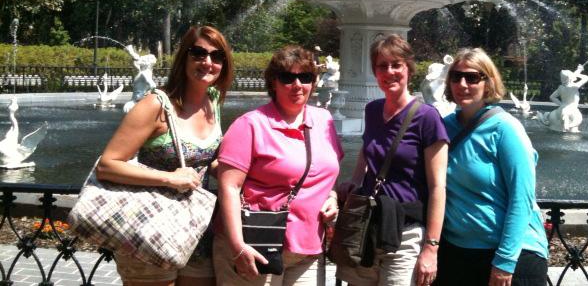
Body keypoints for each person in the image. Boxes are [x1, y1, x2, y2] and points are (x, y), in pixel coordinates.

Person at [97, 25, 234, 286]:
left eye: (217, 57)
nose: (208, 62)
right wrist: (169, 178)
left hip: (197, 229)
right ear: (183, 57)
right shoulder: (155, 104)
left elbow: (208, 160)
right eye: (199, 53)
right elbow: (108, 165)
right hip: (151, 228)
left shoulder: (213, 100)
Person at [214, 45, 342, 285]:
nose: (297, 85)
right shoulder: (250, 125)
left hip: (308, 246)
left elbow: (327, 173)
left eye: (305, 77)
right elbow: (228, 188)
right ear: (273, 82)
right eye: (287, 77)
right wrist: (238, 247)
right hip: (256, 244)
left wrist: (332, 198)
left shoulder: (323, 120)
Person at [336, 34, 448, 286]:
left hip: (405, 232)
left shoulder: (427, 118)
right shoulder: (372, 110)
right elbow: (368, 148)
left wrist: (431, 248)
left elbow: (438, 187)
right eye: (382, 65)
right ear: (375, 71)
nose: (389, 72)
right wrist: (354, 180)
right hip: (367, 227)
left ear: (409, 68)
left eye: (396, 64)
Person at [435, 48, 548, 286]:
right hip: (457, 253)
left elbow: (522, 198)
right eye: (456, 76)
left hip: (511, 255)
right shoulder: (443, 128)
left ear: (488, 82)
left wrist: (505, 260)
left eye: (472, 77)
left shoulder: (506, 129)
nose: (462, 84)